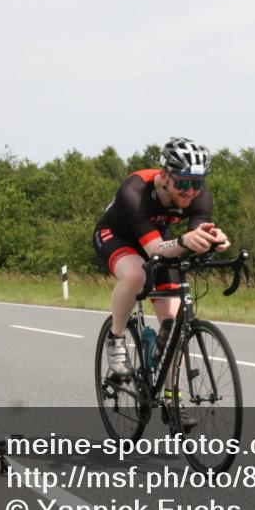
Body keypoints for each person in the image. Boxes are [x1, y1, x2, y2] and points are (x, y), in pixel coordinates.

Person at [92, 137, 230, 380]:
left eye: (197, 183)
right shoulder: (134, 191)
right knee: (136, 275)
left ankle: (169, 394)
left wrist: (213, 241)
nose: (190, 191)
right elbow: (156, 249)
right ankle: (116, 338)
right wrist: (183, 241)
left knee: (174, 323)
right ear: (164, 175)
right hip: (116, 235)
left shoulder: (200, 196)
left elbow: (194, 240)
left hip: (156, 237)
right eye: (183, 182)